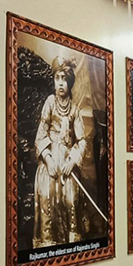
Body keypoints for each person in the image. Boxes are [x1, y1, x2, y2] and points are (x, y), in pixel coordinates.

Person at [33, 56, 88, 248]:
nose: (61, 83)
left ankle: (73, 244)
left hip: (67, 163)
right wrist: (47, 159)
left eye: (64, 79)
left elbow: (81, 140)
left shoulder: (74, 109)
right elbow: (40, 134)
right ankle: (48, 245)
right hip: (50, 163)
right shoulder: (49, 102)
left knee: (71, 200)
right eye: (58, 79)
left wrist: (72, 160)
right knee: (47, 197)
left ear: (70, 83)